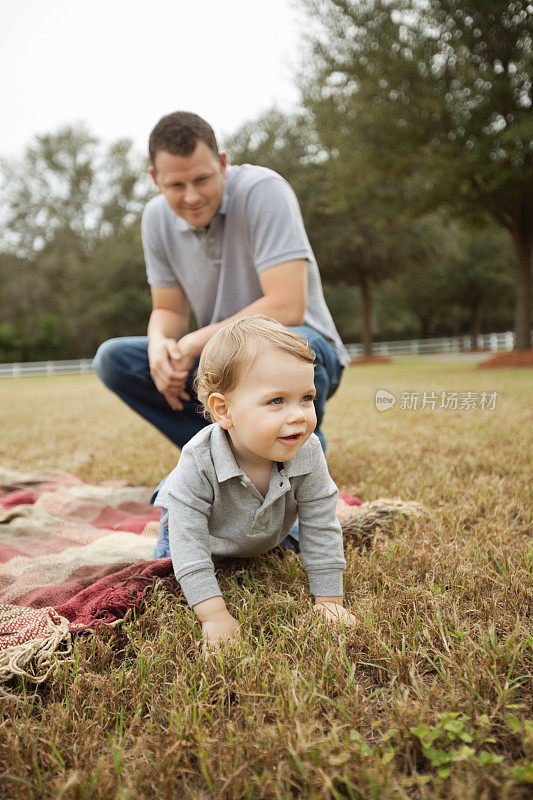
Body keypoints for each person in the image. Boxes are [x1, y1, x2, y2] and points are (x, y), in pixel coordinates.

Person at [93, 111, 349, 553]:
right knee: (113, 358)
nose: (191, 197)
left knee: (301, 347)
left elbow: (287, 305)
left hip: (301, 346)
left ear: (224, 163)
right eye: (176, 185)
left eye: (203, 180)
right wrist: (161, 346)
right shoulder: (155, 220)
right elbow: (168, 309)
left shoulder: (264, 191)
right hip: (225, 363)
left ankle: (296, 470)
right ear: (155, 179)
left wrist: (194, 341)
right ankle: (219, 458)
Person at [154, 315, 356, 648]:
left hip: (264, 531)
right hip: (201, 535)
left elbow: (320, 524)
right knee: (164, 574)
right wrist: (214, 615)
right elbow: (188, 544)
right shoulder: (198, 461)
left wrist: (329, 602)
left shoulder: (308, 450)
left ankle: (263, 540)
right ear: (224, 410)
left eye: (306, 397)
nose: (299, 415)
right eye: (277, 401)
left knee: (301, 536)